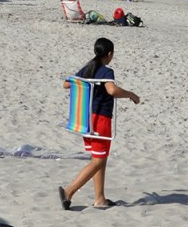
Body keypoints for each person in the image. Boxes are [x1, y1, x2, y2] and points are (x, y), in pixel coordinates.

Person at [59, 37, 139, 210]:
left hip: (86, 119)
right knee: (97, 161)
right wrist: (131, 94)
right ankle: (69, 192)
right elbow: (112, 90)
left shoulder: (88, 68)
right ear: (109, 54)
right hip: (101, 120)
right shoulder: (106, 71)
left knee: (99, 159)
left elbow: (67, 84)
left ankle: (99, 198)